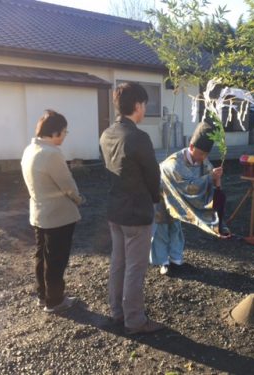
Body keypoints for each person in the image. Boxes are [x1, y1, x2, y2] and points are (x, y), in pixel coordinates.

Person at [99, 82, 164, 335]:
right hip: (137, 213)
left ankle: (117, 311)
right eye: (145, 104)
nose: (145, 108)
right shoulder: (138, 137)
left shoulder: (106, 134)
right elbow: (152, 174)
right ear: (137, 105)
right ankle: (135, 319)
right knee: (135, 267)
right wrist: (155, 199)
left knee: (118, 263)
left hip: (115, 208)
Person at [21, 110, 83, 313]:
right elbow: (68, 185)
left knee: (42, 257)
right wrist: (79, 199)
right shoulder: (52, 154)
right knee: (56, 258)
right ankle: (55, 300)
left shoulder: (30, 149)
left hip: (39, 212)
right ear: (55, 132)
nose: (65, 136)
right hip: (58, 215)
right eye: (64, 132)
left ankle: (43, 295)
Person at [150, 121, 229, 276]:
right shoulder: (173, 164)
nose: (202, 158)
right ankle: (163, 261)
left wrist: (215, 178)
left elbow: (208, 177)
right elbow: (189, 186)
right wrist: (209, 177)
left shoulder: (203, 160)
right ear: (191, 147)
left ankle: (176, 258)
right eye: (200, 154)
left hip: (180, 200)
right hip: (161, 195)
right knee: (162, 228)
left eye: (206, 155)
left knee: (176, 226)